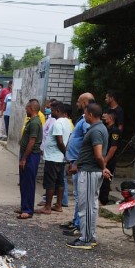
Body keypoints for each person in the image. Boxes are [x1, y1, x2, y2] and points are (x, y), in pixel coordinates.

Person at [67, 103, 111, 250]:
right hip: (89, 170)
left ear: (91, 115)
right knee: (91, 205)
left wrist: (103, 167)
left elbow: (98, 154)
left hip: (90, 172)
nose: (84, 116)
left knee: (85, 206)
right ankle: (89, 236)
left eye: (85, 114)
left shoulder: (96, 131)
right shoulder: (97, 128)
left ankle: (85, 239)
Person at [60, 93, 94, 237]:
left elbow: (87, 142)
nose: (77, 104)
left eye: (79, 102)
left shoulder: (87, 120)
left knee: (81, 196)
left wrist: (77, 162)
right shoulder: (82, 117)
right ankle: (75, 221)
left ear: (85, 102)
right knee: (77, 194)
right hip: (75, 160)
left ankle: (79, 225)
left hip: (80, 163)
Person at [38, 103, 73, 214]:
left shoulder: (58, 123)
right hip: (60, 158)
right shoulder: (68, 122)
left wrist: (65, 153)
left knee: (50, 182)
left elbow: (60, 141)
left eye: (52, 110)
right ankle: (58, 205)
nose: (50, 112)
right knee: (60, 182)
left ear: (58, 111)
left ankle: (47, 207)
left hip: (53, 158)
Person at [17, 100, 43, 219]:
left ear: (32, 108)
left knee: (29, 183)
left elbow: (32, 141)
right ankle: (24, 207)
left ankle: (28, 210)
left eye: (27, 108)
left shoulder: (35, 123)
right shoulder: (31, 121)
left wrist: (24, 159)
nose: (25, 110)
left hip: (31, 156)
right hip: (27, 155)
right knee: (24, 182)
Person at [99, 108, 121, 205]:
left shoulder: (115, 131)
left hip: (109, 159)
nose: (103, 117)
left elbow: (113, 147)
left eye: (105, 115)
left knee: (106, 180)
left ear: (111, 117)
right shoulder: (105, 128)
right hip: (103, 157)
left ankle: (103, 200)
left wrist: (106, 160)